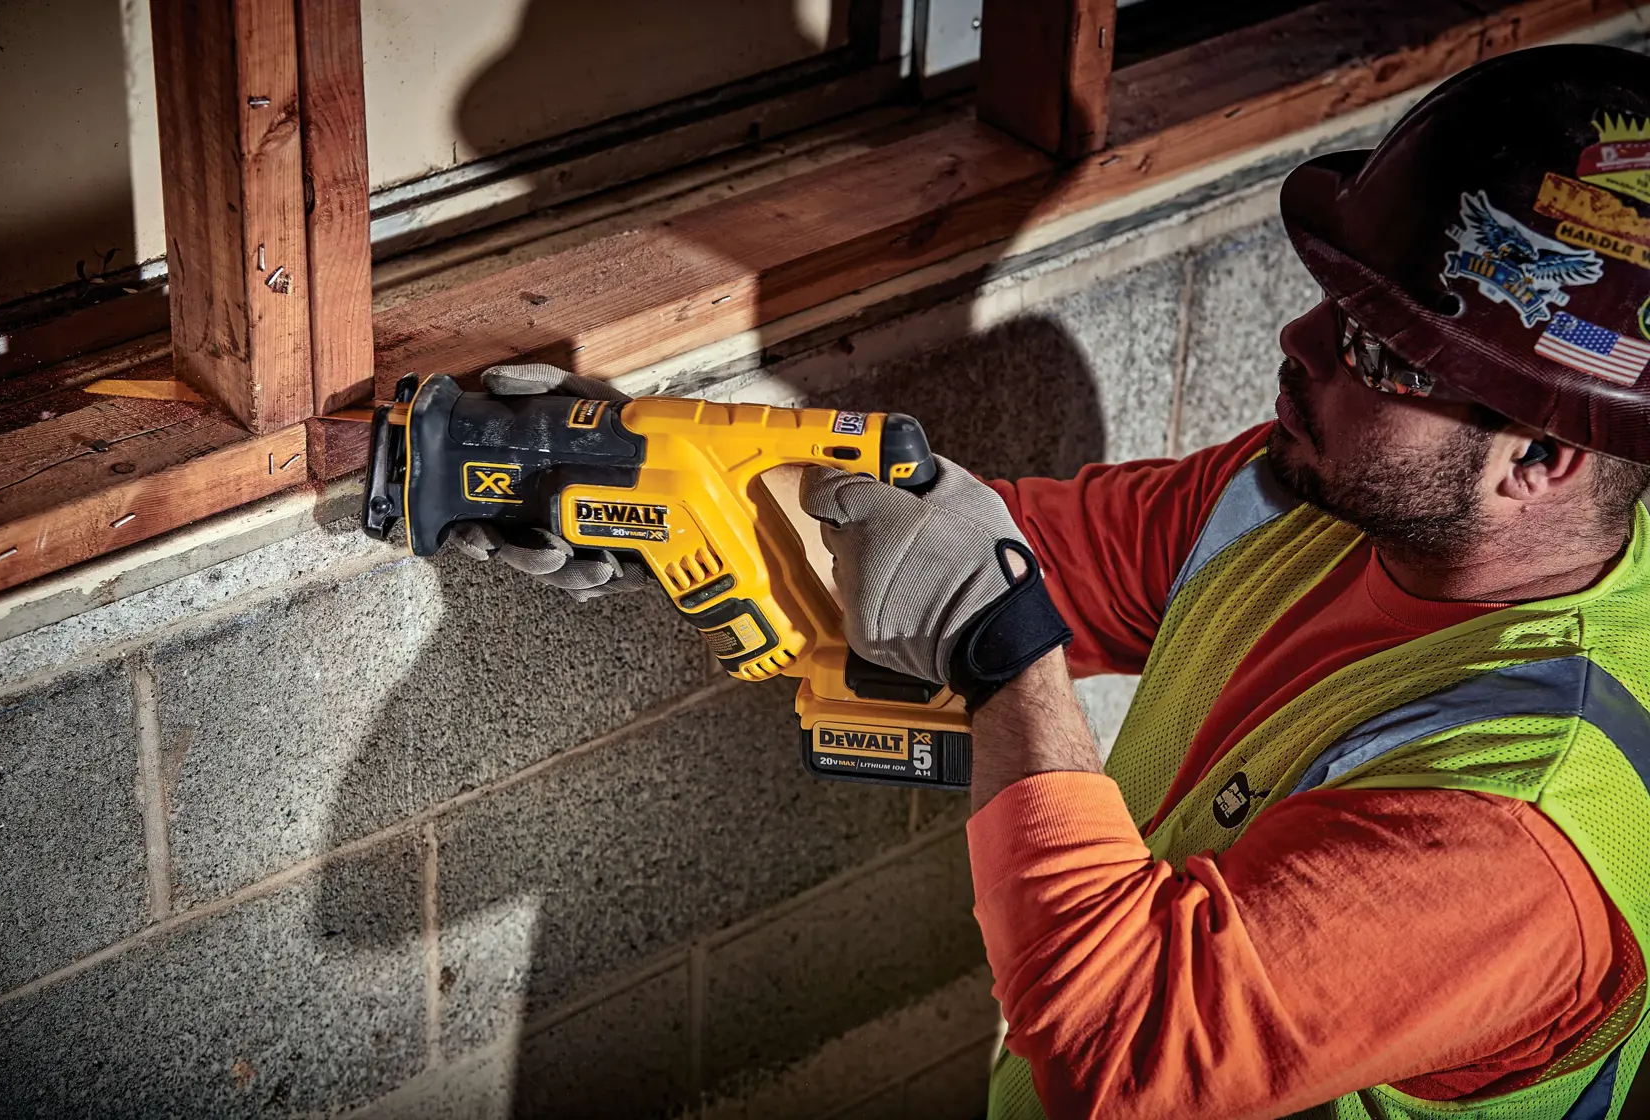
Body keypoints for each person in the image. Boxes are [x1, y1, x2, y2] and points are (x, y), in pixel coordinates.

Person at [458, 45, 1650, 1119]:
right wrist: (674, 491)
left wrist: (1003, 654)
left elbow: (1125, 1054)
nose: (1301, 345)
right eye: (1334, 301)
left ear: (1541, 459)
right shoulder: (1316, 503)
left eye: (1378, 349)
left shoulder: (1519, 828)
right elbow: (978, 556)